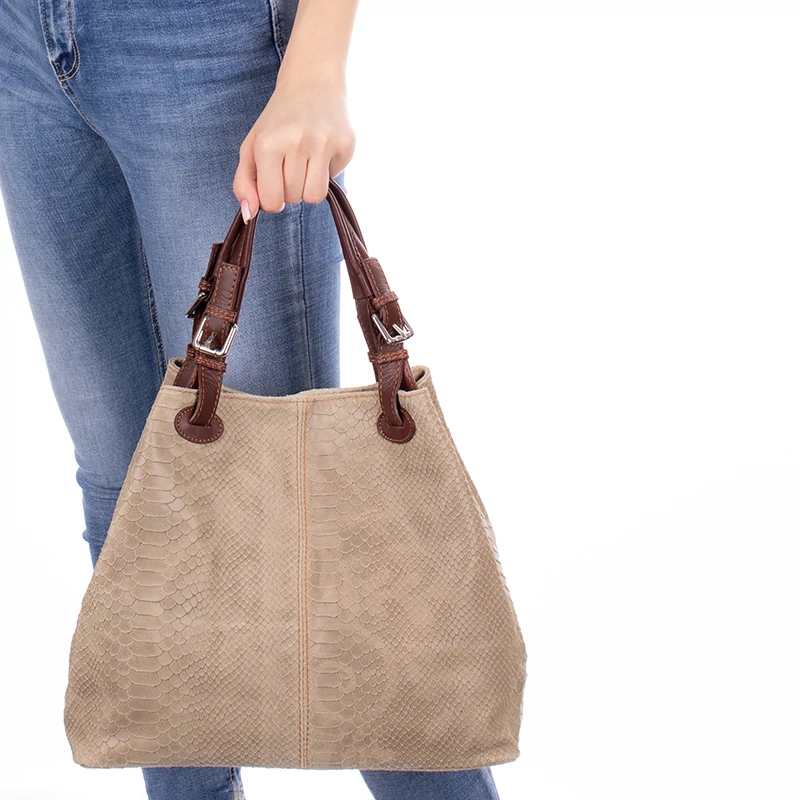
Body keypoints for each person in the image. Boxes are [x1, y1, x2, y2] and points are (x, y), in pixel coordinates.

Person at [0, 1, 503, 798]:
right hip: (20, 42)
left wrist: (317, 62)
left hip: (204, 37)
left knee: (307, 504)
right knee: (128, 498)